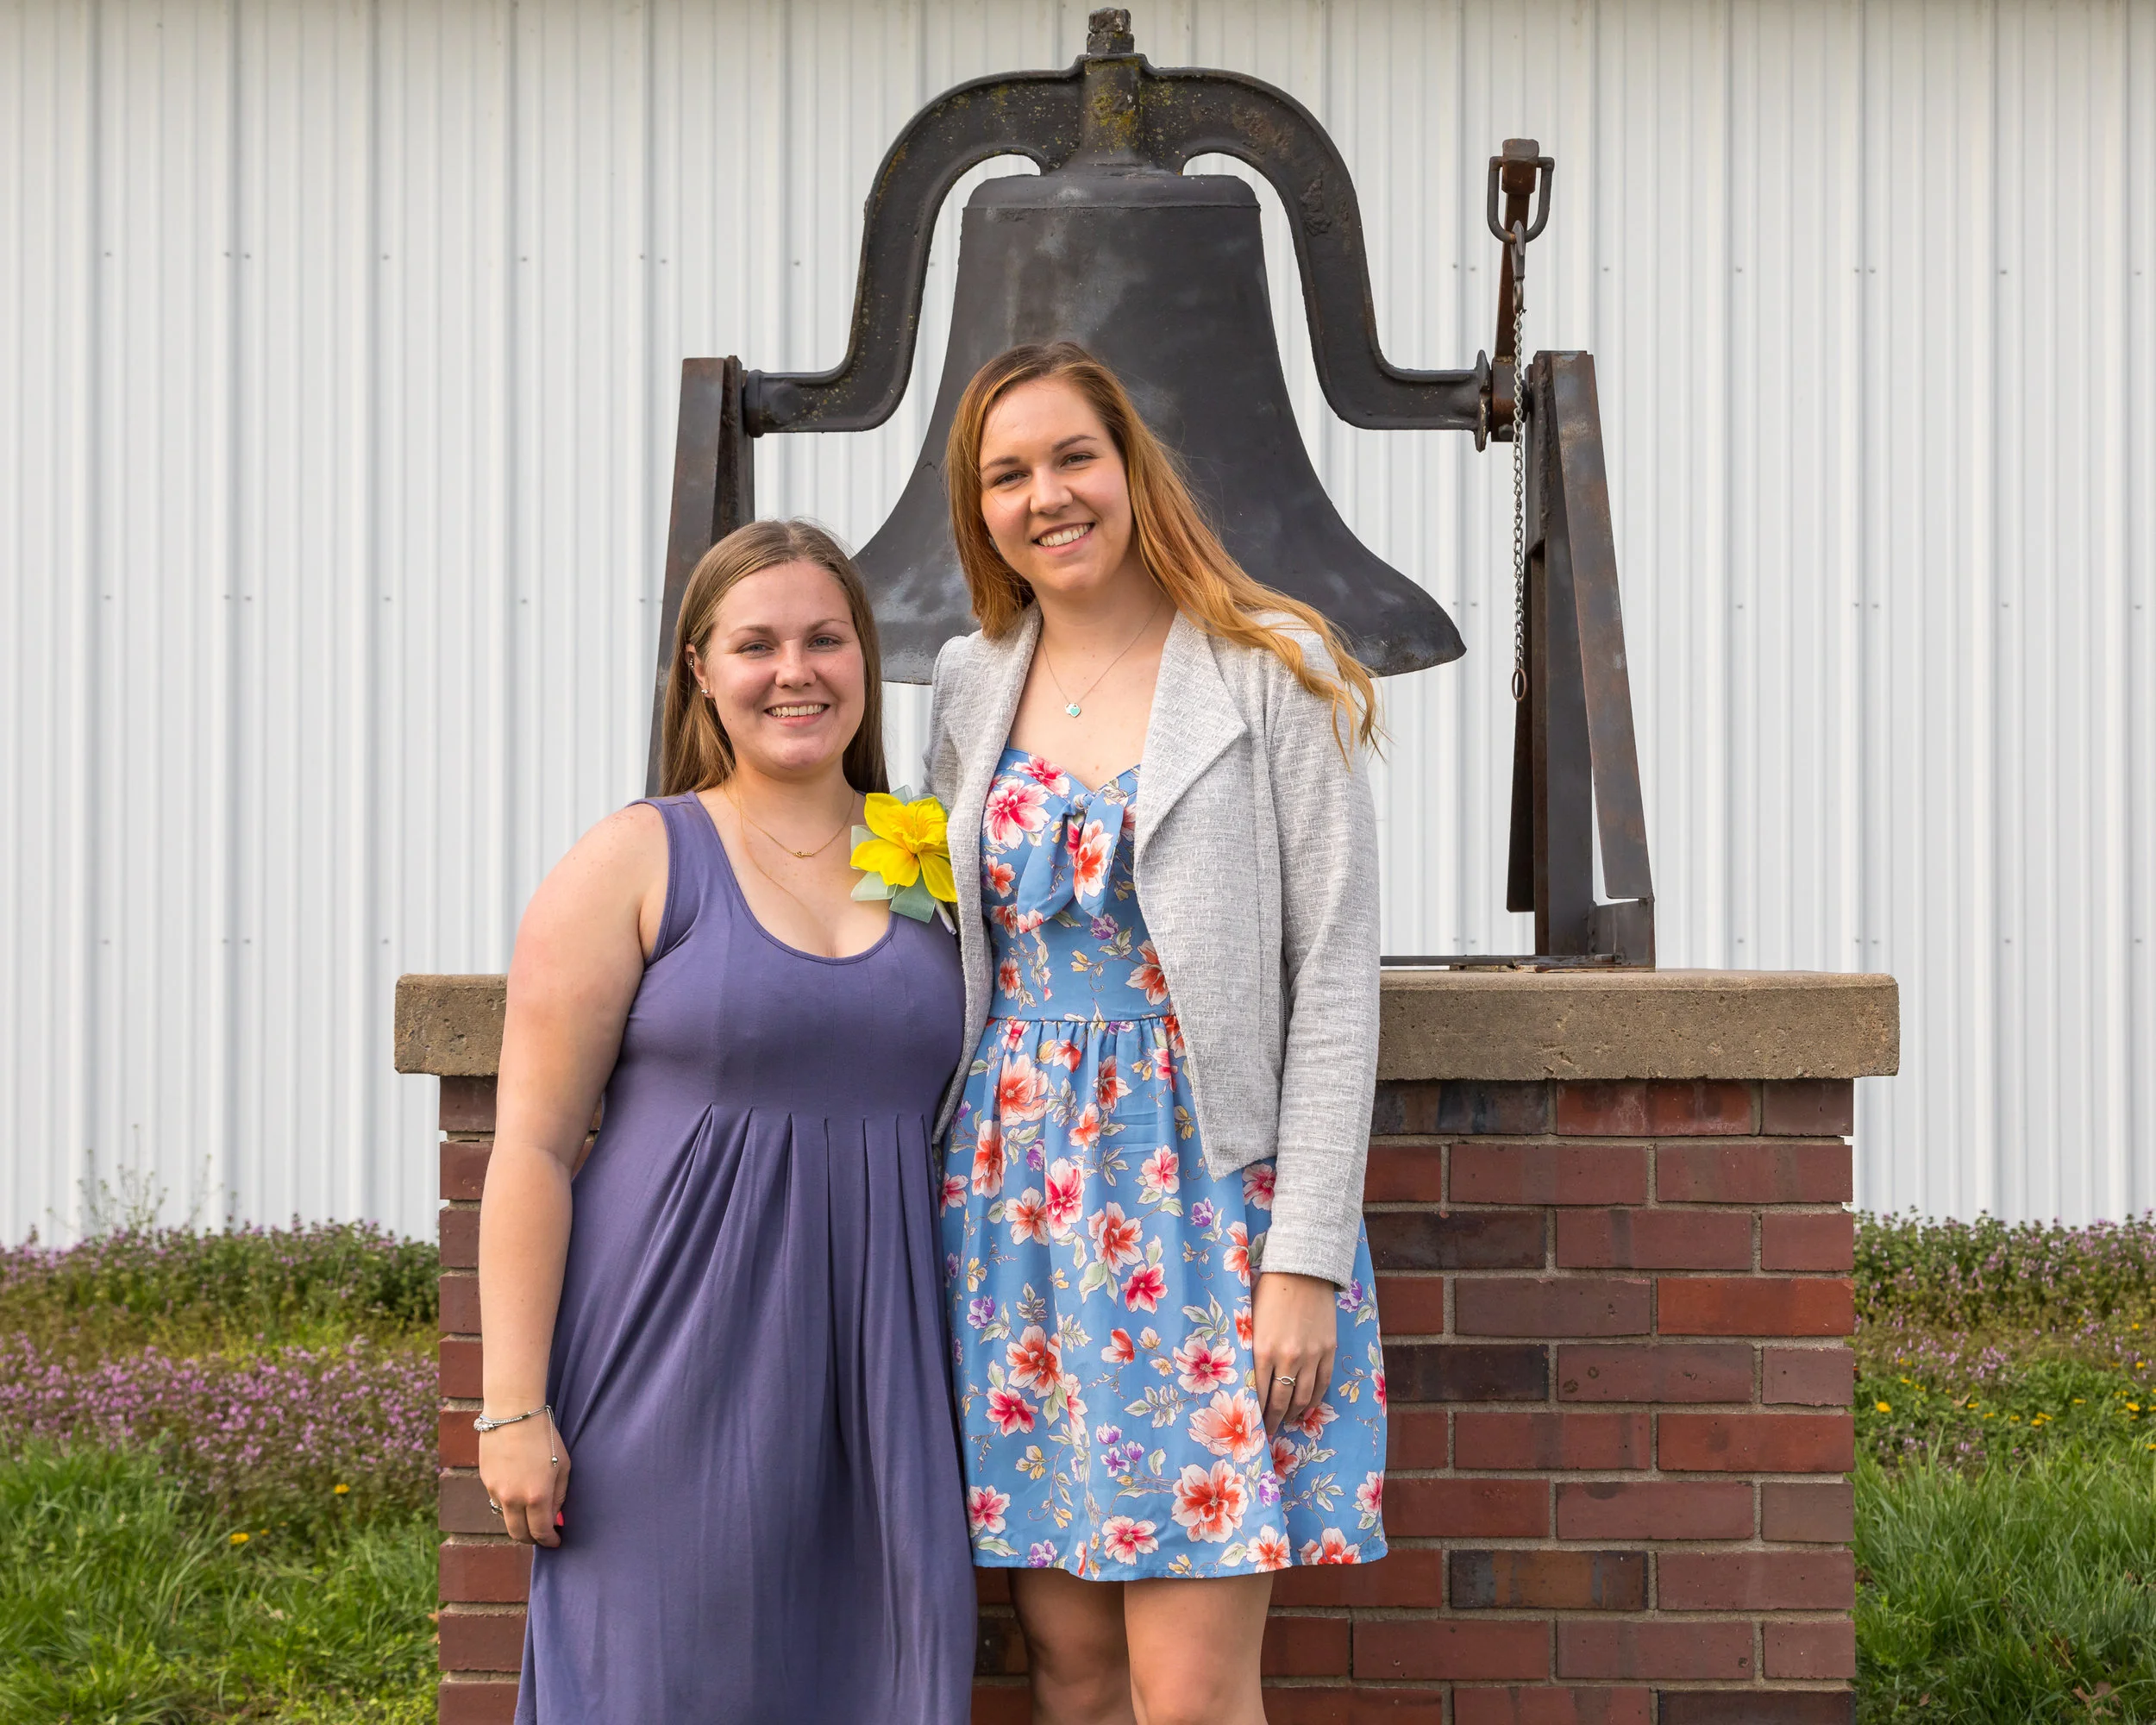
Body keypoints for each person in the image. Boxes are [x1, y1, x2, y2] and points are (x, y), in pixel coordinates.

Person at [927, 342, 1389, 1725]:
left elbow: (1335, 978)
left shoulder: (1270, 669)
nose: (1047, 496)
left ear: (1132, 468)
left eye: (1075, 456)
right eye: (1008, 474)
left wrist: (1303, 1259)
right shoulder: (968, 680)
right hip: (1012, 1215)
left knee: (1186, 1694)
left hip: (1206, 1213)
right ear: (978, 509)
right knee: (1071, 1675)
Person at [477, 519, 974, 1723]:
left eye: (825, 640)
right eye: (756, 645)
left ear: (866, 658)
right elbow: (532, 1146)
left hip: (883, 1385)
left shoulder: (933, 854)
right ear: (701, 669)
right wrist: (513, 1408)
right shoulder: (639, 856)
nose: (795, 672)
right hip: (670, 1368)